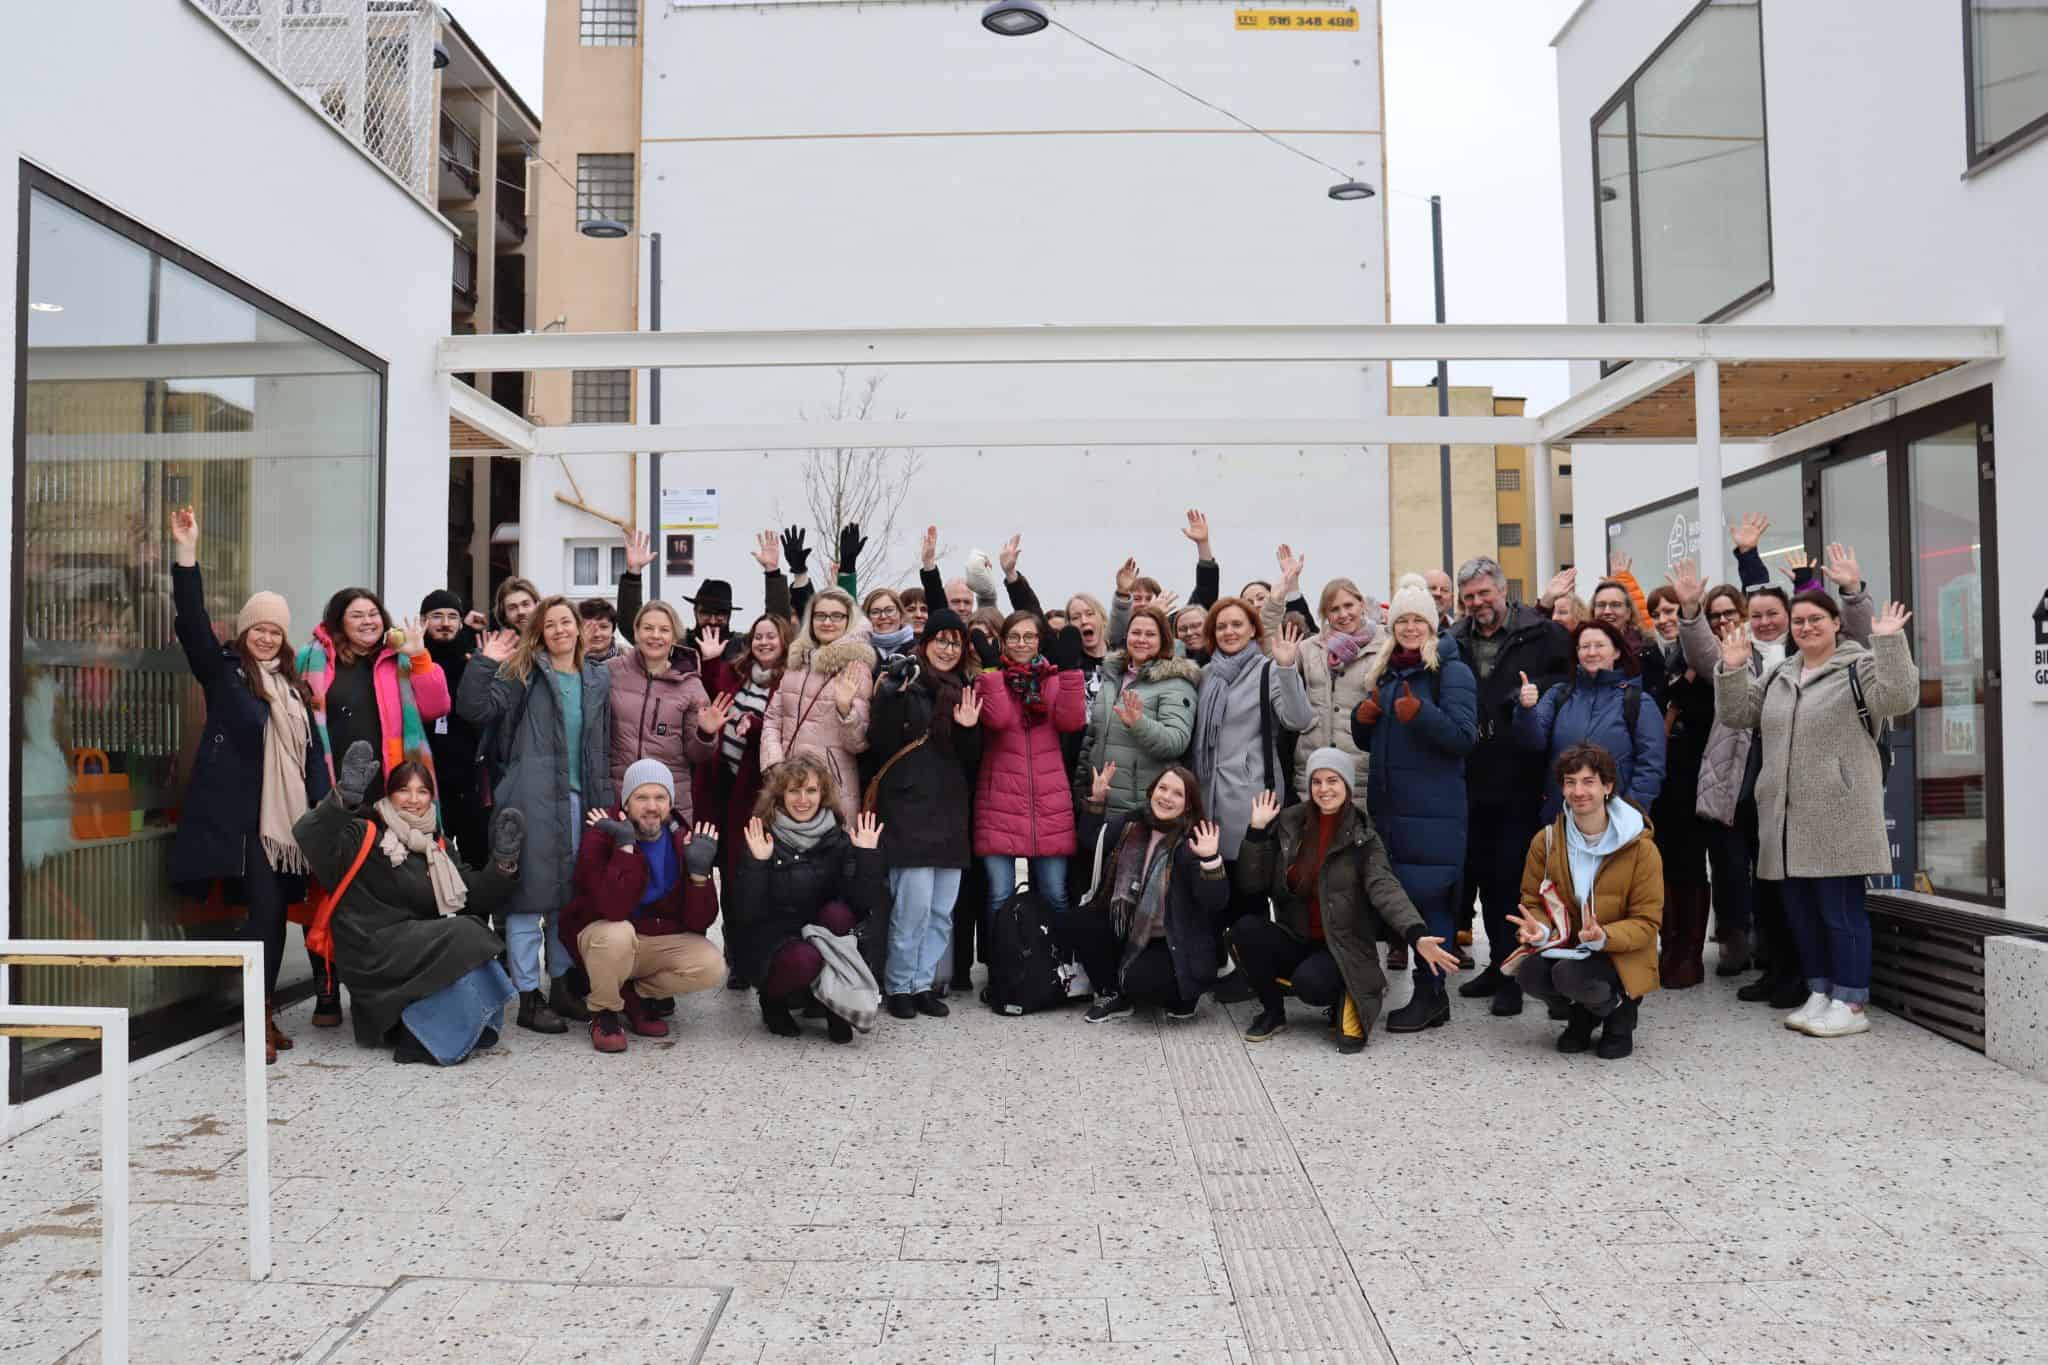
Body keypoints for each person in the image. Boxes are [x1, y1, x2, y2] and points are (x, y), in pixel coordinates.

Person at [165, 506, 329, 1063]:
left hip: (290, 828)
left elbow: (311, 758)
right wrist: (186, 554)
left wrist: (325, 816)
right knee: (262, 916)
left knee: (276, 919)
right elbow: (191, 622)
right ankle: (255, 1018)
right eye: (259, 628)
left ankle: (264, 1012)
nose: (266, 636)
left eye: (275, 630)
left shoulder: (294, 689)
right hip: (248, 824)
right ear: (244, 631)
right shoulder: (224, 673)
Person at [1713, 591, 1917, 1039]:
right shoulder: (1781, 673)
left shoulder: (1858, 666)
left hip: (1838, 815)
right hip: (1786, 819)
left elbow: (1900, 698)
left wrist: (1888, 643)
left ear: (1836, 623)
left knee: (1840, 913)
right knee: (1803, 915)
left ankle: (1851, 1000)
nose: (1806, 628)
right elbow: (1737, 713)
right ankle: (1821, 991)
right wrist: (1732, 669)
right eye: (1799, 621)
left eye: (1816, 619)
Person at [294, 743, 523, 1066]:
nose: (413, 799)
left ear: (432, 798)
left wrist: (503, 863)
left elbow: (474, 895)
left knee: (470, 935)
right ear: (389, 795)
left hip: (414, 949)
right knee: (466, 933)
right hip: (369, 948)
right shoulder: (365, 833)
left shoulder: (437, 846)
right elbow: (308, 835)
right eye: (404, 790)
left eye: (422, 791)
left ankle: (422, 1031)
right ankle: (428, 1035)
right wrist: (343, 797)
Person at [457, 596, 616, 1033]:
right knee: (528, 900)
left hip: (581, 801)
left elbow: (602, 743)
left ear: (579, 628)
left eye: (567, 622)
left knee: (568, 899)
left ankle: (562, 987)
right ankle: (528, 997)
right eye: (551, 624)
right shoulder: (523, 673)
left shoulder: (597, 677)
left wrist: (604, 800)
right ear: (540, 633)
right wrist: (484, 663)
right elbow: (474, 709)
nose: (560, 630)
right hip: (531, 798)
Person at [298, 583, 451, 1028]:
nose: (367, 621)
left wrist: (421, 657)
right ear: (338, 622)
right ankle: (326, 989)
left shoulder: (399, 659)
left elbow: (437, 705)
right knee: (328, 889)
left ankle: (375, 991)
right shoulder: (311, 660)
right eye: (357, 615)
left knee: (386, 893)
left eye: (373, 614)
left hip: (390, 795)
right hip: (335, 792)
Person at [1233, 753, 1462, 1050]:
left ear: (1347, 785)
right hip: (1298, 937)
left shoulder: (1364, 837)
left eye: (1333, 780)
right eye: (1317, 781)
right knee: (1246, 930)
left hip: (1342, 947)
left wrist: (1415, 934)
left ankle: (1349, 989)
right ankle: (1273, 1012)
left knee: (1309, 984)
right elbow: (1253, 884)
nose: (1324, 789)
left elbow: (1386, 889)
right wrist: (1256, 832)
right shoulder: (1291, 823)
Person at [1349, 577, 1478, 1030]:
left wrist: (1423, 715)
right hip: (1391, 808)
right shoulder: (1387, 671)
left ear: (1432, 623)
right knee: (1403, 896)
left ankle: (1432, 995)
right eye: (1401, 620)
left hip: (1433, 810)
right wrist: (1361, 721)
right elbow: (1371, 740)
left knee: (1431, 899)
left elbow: (1464, 738)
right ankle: (1425, 992)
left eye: (1417, 620)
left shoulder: (1451, 672)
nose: (1409, 628)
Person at [1449, 555, 1573, 1019]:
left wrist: (1521, 700)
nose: (1477, 602)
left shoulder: (1543, 635)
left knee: (1513, 881)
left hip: (1521, 776)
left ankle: (1515, 976)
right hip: (1470, 777)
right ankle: (1498, 963)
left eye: (1484, 592)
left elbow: (1562, 682)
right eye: (1469, 597)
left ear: (1503, 590)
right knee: (1482, 877)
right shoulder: (1454, 640)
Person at [1504, 743, 1664, 1060]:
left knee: (1569, 974)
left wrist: (1604, 936)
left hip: (1619, 951)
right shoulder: (1547, 841)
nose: (1578, 791)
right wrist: (1540, 929)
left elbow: (1647, 922)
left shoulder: (1641, 848)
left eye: (1588, 781)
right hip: (1570, 948)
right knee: (1530, 973)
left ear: (1607, 787)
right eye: (1570, 782)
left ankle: (1619, 1012)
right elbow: (1534, 901)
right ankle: (1585, 1012)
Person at [564, 758, 726, 1052]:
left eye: (660, 797)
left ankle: (633, 997)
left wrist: (699, 876)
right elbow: (612, 909)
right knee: (617, 934)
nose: (652, 806)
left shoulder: (680, 836)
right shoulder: (602, 832)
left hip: (654, 939)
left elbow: (699, 922)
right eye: (641, 797)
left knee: (711, 964)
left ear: (670, 803)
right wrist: (625, 848)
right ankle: (603, 1012)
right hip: (605, 937)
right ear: (626, 802)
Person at [868, 610, 983, 1018]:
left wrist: (968, 728)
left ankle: (922, 983)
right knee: (911, 910)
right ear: (926, 642)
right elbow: (879, 742)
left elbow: (971, 761)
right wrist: (890, 697)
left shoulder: (963, 690)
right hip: (908, 810)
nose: (948, 649)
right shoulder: (905, 682)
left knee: (940, 912)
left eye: (956, 643)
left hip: (950, 812)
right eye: (941, 640)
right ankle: (899, 985)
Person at [1191, 597, 1312, 973]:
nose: (1229, 632)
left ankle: (1252, 969)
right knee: (1215, 884)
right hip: (1208, 797)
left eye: (1237, 624)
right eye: (1221, 626)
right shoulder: (1207, 675)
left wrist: (1287, 667)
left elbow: (1298, 719)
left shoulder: (1268, 669)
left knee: (1250, 885)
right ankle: (1219, 962)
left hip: (1249, 797)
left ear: (1253, 630)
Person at [732, 754, 888, 1042]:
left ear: (822, 794)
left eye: (811, 790)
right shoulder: (763, 836)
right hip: (777, 940)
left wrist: (866, 856)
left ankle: (834, 1005)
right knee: (805, 958)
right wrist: (757, 863)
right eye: (794, 790)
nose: (803, 799)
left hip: (824, 934)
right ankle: (772, 1001)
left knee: (839, 915)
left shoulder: (837, 837)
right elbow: (747, 912)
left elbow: (861, 904)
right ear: (781, 795)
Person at [1062, 762, 1228, 1022]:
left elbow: (1215, 901)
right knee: (1078, 920)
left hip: (1172, 942)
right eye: (1163, 788)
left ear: (1188, 805)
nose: (1167, 797)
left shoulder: (1192, 842)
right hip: (1130, 928)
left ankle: (1183, 997)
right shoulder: (1132, 824)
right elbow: (1092, 840)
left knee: (1138, 981)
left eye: (1178, 793)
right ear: (1152, 791)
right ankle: (1112, 993)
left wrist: (1210, 860)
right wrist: (1097, 800)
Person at [970, 613, 1090, 918]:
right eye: (1014, 637)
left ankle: (1056, 949)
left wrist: (1070, 672)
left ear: (1039, 641)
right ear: (1003, 642)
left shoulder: (1053, 680)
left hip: (1049, 802)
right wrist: (991, 669)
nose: (1021, 643)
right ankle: (1001, 951)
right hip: (1000, 802)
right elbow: (998, 719)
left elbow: (1072, 721)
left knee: (1055, 893)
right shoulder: (990, 679)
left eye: (1029, 636)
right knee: (999, 895)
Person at [1513, 620, 1665, 826]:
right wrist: (1526, 710)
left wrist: (1630, 812)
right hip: (1562, 814)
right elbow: (1532, 742)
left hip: (1616, 819)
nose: (1591, 652)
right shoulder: (1559, 694)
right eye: (1584, 646)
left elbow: (1651, 765)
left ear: (1617, 652)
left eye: (1599, 645)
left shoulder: (1638, 701)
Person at [1259, 559, 1380, 812]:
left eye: (1348, 605)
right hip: (1314, 768)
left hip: (1363, 769)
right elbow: (1271, 647)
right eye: (1334, 609)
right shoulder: (1310, 647)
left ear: (1361, 604)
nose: (1343, 614)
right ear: (1325, 614)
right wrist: (1275, 601)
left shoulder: (1384, 644)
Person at [762, 589, 876, 821]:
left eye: (837, 616)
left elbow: (858, 744)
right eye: (820, 615)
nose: (827, 622)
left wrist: (845, 709)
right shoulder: (796, 663)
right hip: (788, 783)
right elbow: (772, 718)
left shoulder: (856, 668)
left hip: (832, 786)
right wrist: (774, 763)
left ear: (848, 620)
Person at [1078, 605, 1199, 817]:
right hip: (1101, 801)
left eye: (1150, 634)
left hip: (1141, 808)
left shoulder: (1176, 683)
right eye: (1136, 632)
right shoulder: (1112, 678)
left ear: (1163, 639)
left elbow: (1176, 742)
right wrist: (1082, 785)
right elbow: (1092, 738)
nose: (1141, 639)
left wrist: (1138, 723)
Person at [616, 528, 799, 668]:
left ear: (729, 615)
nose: (712, 620)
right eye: (706, 613)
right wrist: (633, 574)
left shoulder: (743, 647)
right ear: (695, 612)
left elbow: (778, 626)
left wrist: (772, 572)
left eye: (720, 614)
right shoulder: (678, 646)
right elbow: (631, 626)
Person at [418, 589, 488, 869]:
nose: (445, 623)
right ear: (423, 621)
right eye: (437, 616)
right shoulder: (411, 660)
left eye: (452, 616)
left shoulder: (473, 659)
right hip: (425, 778)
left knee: (475, 860)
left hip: (470, 778)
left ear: (461, 622)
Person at [862, 587, 917, 662]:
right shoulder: (858, 653)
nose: (883, 616)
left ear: (900, 614)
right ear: (867, 618)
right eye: (875, 612)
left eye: (889, 610)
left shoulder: (919, 651)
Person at [578, 598, 621, 663]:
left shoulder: (630, 658)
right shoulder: (565, 660)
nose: (597, 634)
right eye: (589, 627)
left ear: (613, 630)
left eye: (603, 627)